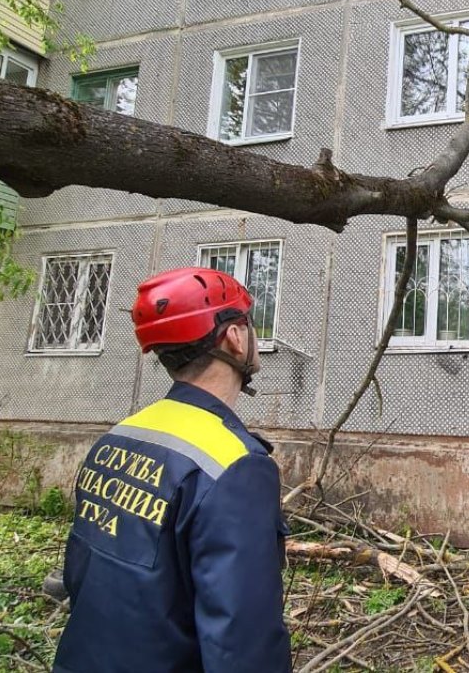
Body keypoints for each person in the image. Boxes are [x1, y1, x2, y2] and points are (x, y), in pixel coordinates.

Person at [53, 267, 291, 673]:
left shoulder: (118, 438)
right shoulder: (236, 467)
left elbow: (82, 577)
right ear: (234, 337)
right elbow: (241, 645)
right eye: (249, 323)